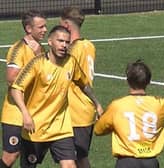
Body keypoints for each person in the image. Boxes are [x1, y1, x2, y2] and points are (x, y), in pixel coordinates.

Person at [10, 25, 103, 168]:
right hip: (35, 128)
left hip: (61, 128)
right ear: (50, 42)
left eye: (66, 42)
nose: (64, 45)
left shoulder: (71, 62)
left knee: (70, 165)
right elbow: (16, 89)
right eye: (60, 41)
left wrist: (97, 103)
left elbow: (83, 84)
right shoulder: (37, 63)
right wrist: (25, 113)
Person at [94, 60, 164, 168]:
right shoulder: (160, 105)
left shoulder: (117, 106)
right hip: (151, 163)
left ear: (128, 80)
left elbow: (98, 130)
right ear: (148, 81)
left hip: (126, 162)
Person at [0, 10, 47, 168]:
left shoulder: (40, 49)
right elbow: (11, 78)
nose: (45, 30)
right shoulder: (18, 49)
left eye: (45, 26)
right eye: (40, 27)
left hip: (35, 111)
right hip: (15, 113)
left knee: (31, 158)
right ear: (28, 28)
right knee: (11, 155)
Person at [60, 7, 99, 168]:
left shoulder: (72, 51)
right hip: (85, 110)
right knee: (79, 158)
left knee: (75, 159)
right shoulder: (88, 45)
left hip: (76, 112)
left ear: (67, 26)